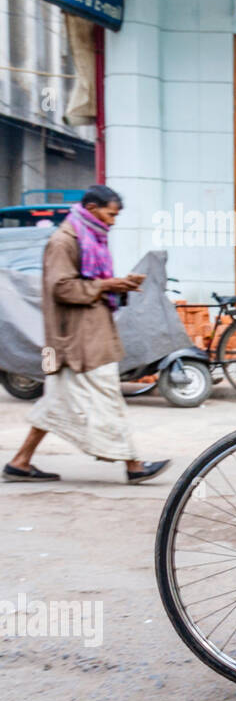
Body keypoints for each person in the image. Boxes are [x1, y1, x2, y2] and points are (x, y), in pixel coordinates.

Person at [4, 186, 170, 484]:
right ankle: (133, 466)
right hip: (77, 341)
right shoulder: (64, 241)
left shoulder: (90, 238)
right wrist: (108, 286)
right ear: (93, 209)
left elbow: (86, 282)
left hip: (86, 336)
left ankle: (20, 462)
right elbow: (62, 287)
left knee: (54, 404)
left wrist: (116, 285)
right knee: (108, 398)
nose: (113, 221)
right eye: (110, 213)